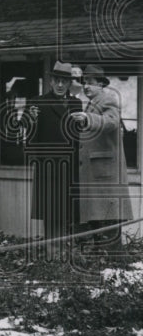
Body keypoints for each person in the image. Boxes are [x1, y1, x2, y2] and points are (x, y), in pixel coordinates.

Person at [72, 64, 133, 253]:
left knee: (108, 220)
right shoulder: (93, 102)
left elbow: (112, 122)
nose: (86, 87)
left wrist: (88, 119)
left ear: (101, 84)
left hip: (105, 177)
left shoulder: (108, 99)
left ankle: (112, 264)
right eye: (84, 83)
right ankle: (105, 261)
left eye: (90, 83)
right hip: (97, 175)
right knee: (100, 221)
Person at [23, 61, 80, 259]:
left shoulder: (76, 104)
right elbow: (26, 134)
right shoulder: (36, 103)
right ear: (51, 81)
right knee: (50, 211)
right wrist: (30, 120)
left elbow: (80, 136)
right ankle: (51, 253)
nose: (60, 85)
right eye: (57, 80)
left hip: (70, 167)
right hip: (47, 167)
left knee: (66, 212)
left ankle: (64, 251)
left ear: (69, 83)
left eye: (64, 81)